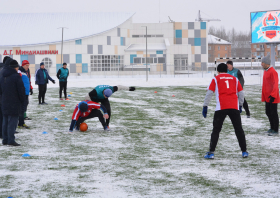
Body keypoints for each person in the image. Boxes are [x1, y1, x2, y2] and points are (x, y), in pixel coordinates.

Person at [202, 63, 248, 159]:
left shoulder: (216, 78)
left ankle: (211, 152)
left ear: (218, 71)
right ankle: (244, 151)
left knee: (216, 130)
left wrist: (205, 106)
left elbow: (209, 93)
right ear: (227, 71)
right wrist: (240, 105)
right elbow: (241, 92)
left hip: (221, 107)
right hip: (234, 107)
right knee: (239, 129)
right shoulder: (234, 79)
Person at [0, 60, 25, 146]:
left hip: (4, 101)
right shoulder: (16, 76)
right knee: (12, 121)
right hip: (14, 102)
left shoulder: (2, 76)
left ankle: (5, 139)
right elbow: (21, 90)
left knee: (5, 121)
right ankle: (11, 140)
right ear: (15, 67)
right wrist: (23, 100)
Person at [261, 55, 280, 136]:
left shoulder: (273, 72)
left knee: (273, 113)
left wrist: (273, 95)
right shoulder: (266, 71)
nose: (261, 64)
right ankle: (272, 128)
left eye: (262, 62)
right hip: (267, 97)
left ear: (266, 63)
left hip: (272, 97)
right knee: (268, 112)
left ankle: (275, 130)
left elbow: (275, 85)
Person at [0, 56, 13, 139]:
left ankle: (3, 133)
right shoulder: (3, 71)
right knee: (3, 116)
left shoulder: (2, 70)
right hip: (3, 97)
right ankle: (3, 133)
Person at [18, 63, 31, 129]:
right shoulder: (20, 72)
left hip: (26, 92)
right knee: (22, 109)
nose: (27, 67)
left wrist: (30, 88)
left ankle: (21, 122)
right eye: (26, 65)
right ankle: (21, 123)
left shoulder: (25, 72)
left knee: (24, 107)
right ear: (23, 65)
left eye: (28, 65)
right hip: (23, 93)